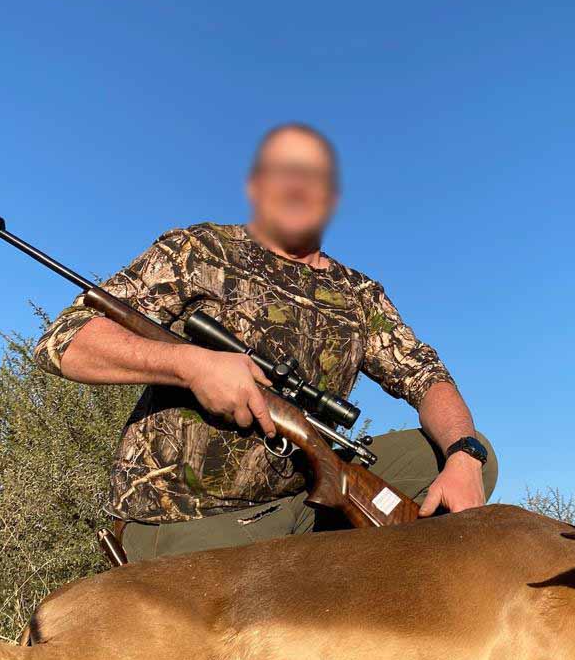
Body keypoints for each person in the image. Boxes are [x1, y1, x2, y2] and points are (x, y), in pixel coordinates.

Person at [34, 123, 496, 562]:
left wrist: (464, 455)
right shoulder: (202, 249)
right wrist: (191, 365)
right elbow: (65, 340)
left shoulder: (358, 294)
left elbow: (427, 378)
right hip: (193, 518)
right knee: (260, 598)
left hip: (303, 497)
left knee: (472, 453)